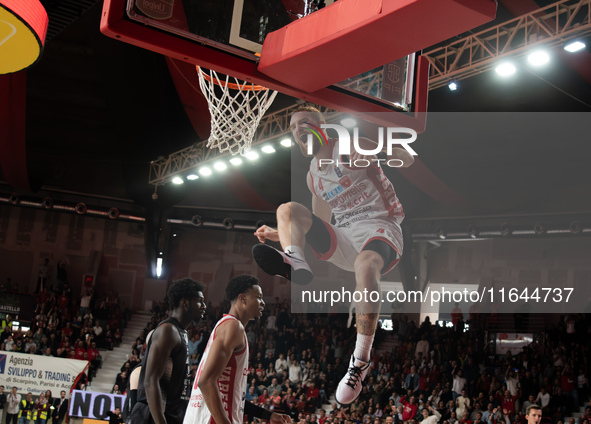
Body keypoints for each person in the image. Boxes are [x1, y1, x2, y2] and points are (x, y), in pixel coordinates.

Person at [252, 104, 413, 405]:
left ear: (322, 125)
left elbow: (406, 158)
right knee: (286, 211)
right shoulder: (314, 176)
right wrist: (282, 232)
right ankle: (293, 260)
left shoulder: (350, 144)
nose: (299, 128)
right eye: (294, 127)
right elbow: (318, 221)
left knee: (365, 265)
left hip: (381, 227)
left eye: (305, 122)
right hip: (346, 236)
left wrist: (376, 153)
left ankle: (359, 362)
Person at [183, 274, 292, 424]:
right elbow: (206, 381)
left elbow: (232, 397)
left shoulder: (227, 326)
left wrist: (267, 415)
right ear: (243, 298)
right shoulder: (233, 327)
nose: (263, 303)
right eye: (258, 297)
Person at [130, 277, 207, 424]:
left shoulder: (181, 332)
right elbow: (150, 380)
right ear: (185, 302)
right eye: (199, 301)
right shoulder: (168, 330)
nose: (204, 306)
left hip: (168, 414)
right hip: (152, 416)